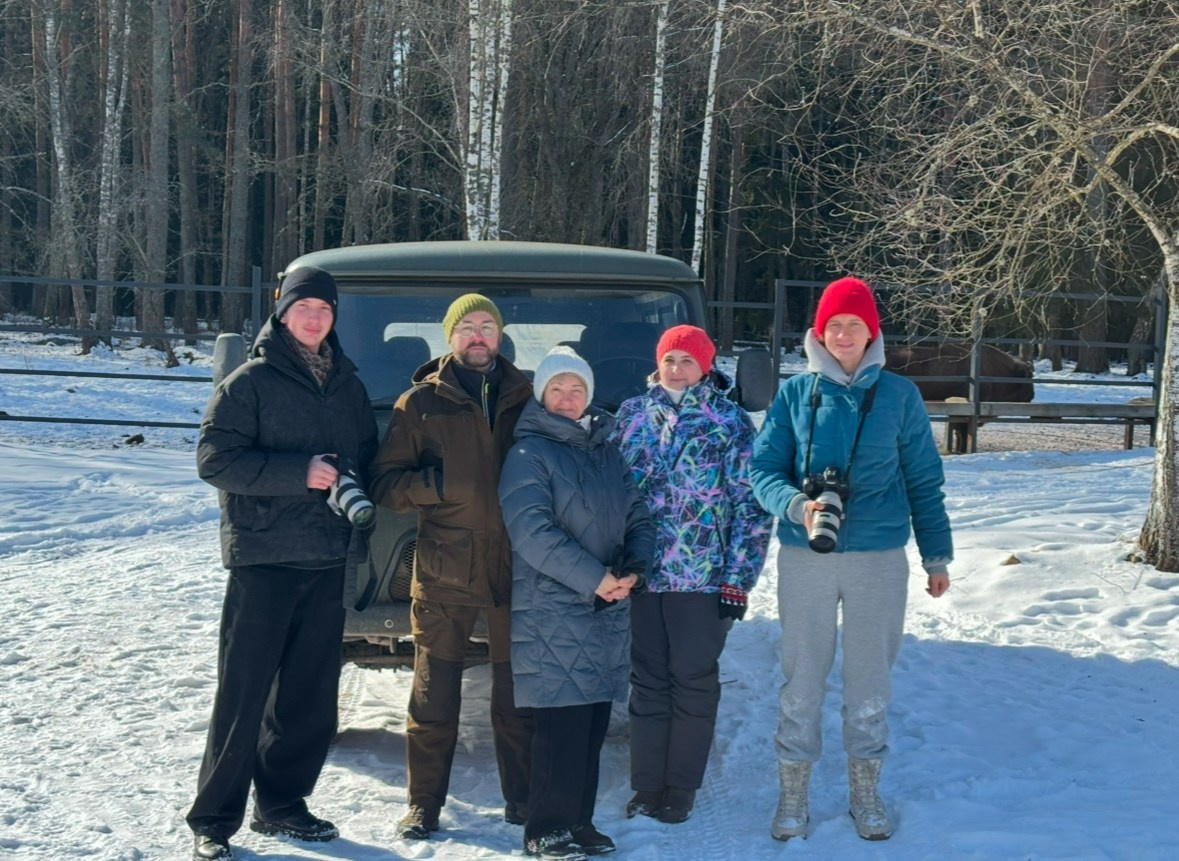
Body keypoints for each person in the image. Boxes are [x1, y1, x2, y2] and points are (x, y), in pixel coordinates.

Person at [748, 276, 952, 842]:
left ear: (871, 333)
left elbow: (923, 480)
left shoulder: (899, 396)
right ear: (818, 330)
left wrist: (937, 555)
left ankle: (866, 790)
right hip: (807, 556)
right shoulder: (794, 394)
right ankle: (793, 793)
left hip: (879, 556)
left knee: (869, 680)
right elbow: (762, 469)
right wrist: (796, 506)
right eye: (833, 324)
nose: (842, 334)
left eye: (853, 325)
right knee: (802, 676)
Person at [187, 266, 379, 861]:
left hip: (327, 558)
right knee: (243, 695)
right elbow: (215, 461)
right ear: (282, 311)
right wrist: (299, 473)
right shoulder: (250, 383)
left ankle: (282, 806)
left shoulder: (347, 384)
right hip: (264, 559)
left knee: (309, 696)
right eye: (305, 308)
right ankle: (213, 823)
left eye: (325, 309)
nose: (315, 318)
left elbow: (367, 455)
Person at [369, 293, 534, 840]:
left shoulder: (528, 395)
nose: (479, 336)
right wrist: (436, 487)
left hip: (517, 569)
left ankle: (523, 800)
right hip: (444, 571)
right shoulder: (418, 405)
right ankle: (423, 806)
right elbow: (385, 486)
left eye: (488, 326)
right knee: (433, 699)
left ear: (501, 334)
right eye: (468, 327)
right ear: (450, 337)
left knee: (517, 700)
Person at [609, 324, 772, 825]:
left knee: (694, 683)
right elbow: (609, 492)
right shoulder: (632, 416)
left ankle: (680, 786)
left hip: (701, 579)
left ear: (706, 366)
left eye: (687, 360)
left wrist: (737, 580)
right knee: (648, 682)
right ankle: (646, 784)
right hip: (642, 577)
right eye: (669, 359)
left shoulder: (728, 422)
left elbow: (752, 507)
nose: (676, 369)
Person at [499, 347, 655, 860]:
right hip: (554, 609)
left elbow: (637, 512)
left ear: (589, 395)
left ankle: (578, 822)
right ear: (542, 395)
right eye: (557, 389)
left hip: (605, 606)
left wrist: (635, 566)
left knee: (590, 723)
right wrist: (595, 579)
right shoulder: (529, 453)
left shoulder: (605, 450)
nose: (568, 398)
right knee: (559, 725)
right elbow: (532, 532)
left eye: (577, 389)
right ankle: (545, 827)